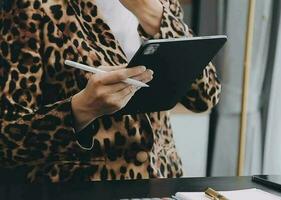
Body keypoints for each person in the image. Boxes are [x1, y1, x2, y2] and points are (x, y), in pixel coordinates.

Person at [0, 0, 221, 182]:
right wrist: (81, 109)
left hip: (161, 184)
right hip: (81, 188)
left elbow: (205, 96)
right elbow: (7, 141)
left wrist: (156, 16)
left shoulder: (162, 3)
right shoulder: (33, 8)